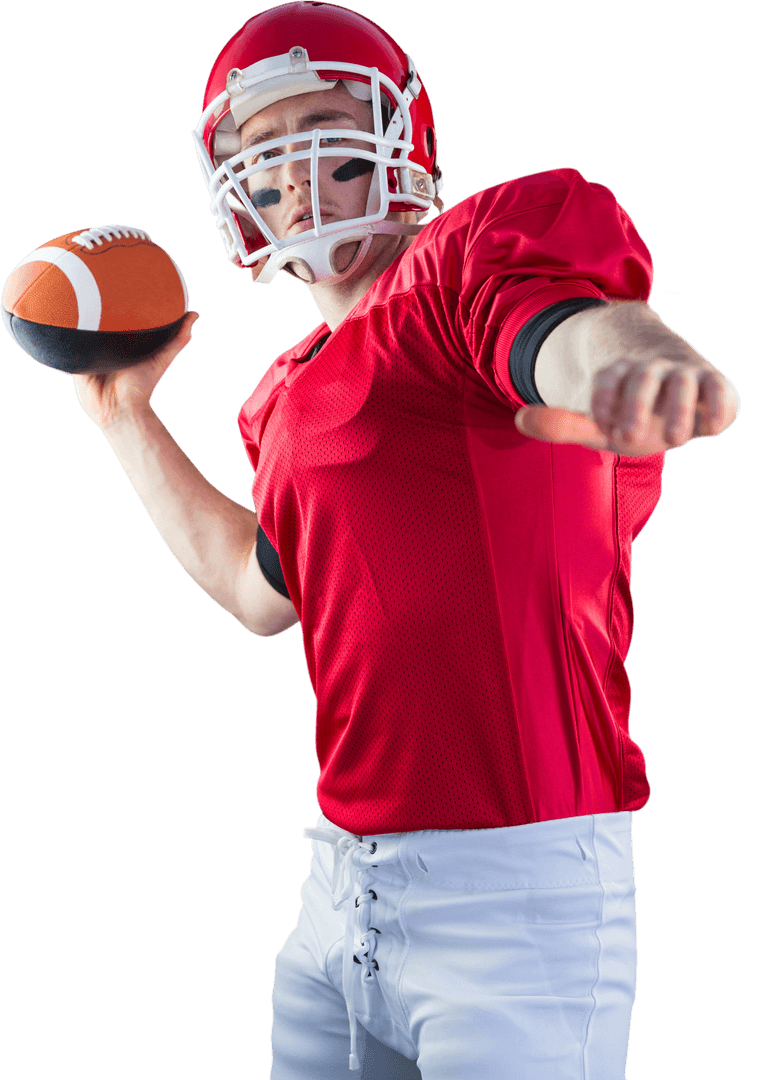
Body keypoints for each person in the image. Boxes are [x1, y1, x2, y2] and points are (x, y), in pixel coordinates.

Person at [71, 3, 740, 1077]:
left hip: (513, 899)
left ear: (398, 140)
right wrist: (125, 417)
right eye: (260, 156)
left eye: (323, 135)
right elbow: (260, 594)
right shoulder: (283, 396)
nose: (291, 176)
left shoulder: (461, 267)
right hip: (337, 892)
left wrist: (624, 362)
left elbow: (563, 323)